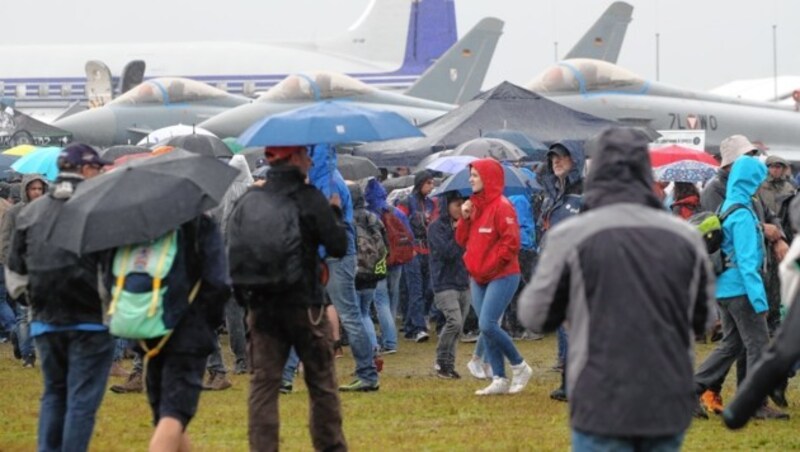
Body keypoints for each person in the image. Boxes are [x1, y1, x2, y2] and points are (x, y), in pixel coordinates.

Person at [519, 127, 716, 452]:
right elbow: (704, 318)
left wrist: (572, 306)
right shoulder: (684, 237)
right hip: (664, 398)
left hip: (600, 400)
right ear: (644, 169)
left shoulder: (570, 236)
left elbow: (534, 314)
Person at [229, 145, 348, 451]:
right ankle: (330, 447)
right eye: (306, 155)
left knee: (264, 387)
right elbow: (337, 246)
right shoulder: (310, 199)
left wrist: (246, 303)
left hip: (262, 307)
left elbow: (233, 252)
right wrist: (334, 212)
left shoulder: (249, 199)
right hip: (305, 304)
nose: (310, 160)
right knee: (321, 384)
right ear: (294, 158)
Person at [5, 144, 113, 452]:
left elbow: (14, 270)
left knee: (54, 393)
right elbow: (112, 265)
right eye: (98, 168)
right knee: (81, 400)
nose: (102, 173)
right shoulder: (99, 208)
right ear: (86, 170)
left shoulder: (31, 212)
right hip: (91, 321)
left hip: (45, 320)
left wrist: (32, 300)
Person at [698, 135, 789, 414]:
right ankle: (755, 404)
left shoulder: (729, 206)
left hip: (725, 288)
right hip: (742, 288)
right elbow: (748, 264)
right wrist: (760, 303)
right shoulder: (743, 214)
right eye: (758, 177)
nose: (762, 182)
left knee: (731, 346)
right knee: (759, 347)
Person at [128, 213, 230, 452]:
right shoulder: (200, 225)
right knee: (174, 414)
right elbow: (218, 282)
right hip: (188, 332)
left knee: (167, 414)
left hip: (147, 329)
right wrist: (209, 321)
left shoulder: (138, 224)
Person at [456, 158, 532, 395]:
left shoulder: (503, 206)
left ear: (488, 178)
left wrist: (488, 267)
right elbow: (461, 240)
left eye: (475, 175)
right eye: (471, 174)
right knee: (486, 328)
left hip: (503, 274)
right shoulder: (475, 206)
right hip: (479, 276)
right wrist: (464, 218)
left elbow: (511, 243)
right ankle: (499, 377)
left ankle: (519, 365)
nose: (470, 179)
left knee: (487, 323)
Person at [309, 144, 379, 392]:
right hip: (332, 255)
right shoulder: (325, 178)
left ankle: (368, 374)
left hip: (335, 257)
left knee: (349, 314)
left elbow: (329, 227)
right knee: (320, 314)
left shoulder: (328, 183)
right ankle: (290, 375)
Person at [536, 140, 585, 401]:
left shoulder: (587, 193)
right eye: (553, 157)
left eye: (563, 157)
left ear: (575, 160)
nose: (556, 161)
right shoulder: (554, 193)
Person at [0, 174, 47, 367]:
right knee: (24, 313)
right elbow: (5, 240)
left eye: (39, 189)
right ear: (25, 190)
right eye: (33, 188)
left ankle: (18, 338)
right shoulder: (14, 212)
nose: (36, 192)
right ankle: (28, 355)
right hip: (21, 268)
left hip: (44, 268)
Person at [364, 178, 413, 354]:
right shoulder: (397, 212)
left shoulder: (369, 213)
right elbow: (410, 235)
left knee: (381, 301)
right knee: (393, 298)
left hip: (379, 262)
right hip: (397, 260)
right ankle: (390, 336)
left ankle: (389, 340)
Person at [428, 191, 471, 379]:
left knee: (458, 327)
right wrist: (459, 232)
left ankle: (448, 365)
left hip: (463, 280)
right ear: (446, 206)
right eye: (456, 205)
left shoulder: (465, 225)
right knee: (454, 322)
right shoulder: (436, 228)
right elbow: (447, 252)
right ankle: (440, 361)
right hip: (444, 282)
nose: (460, 208)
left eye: (463, 204)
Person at [396, 170, 438, 342]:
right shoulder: (407, 202)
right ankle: (417, 327)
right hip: (412, 250)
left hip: (428, 250)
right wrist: (408, 245)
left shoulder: (431, 204)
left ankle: (414, 321)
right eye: (428, 183)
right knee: (415, 289)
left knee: (429, 289)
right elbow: (399, 224)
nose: (431, 186)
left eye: (432, 183)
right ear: (420, 183)